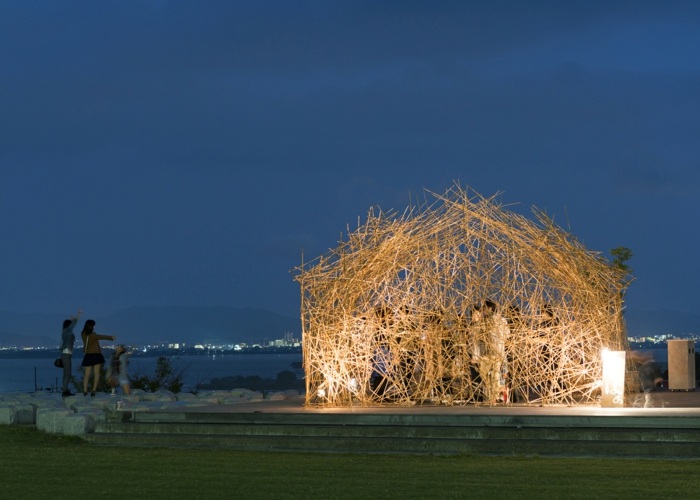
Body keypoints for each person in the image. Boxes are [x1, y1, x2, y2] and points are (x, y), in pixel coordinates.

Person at [80, 319, 115, 396]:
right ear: (91, 326)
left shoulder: (83, 334)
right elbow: (101, 337)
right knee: (96, 374)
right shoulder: (93, 335)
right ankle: (93, 390)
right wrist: (111, 338)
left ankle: (85, 390)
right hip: (96, 355)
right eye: (94, 325)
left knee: (87, 374)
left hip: (88, 355)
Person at [59, 309, 82, 397]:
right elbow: (73, 325)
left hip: (66, 354)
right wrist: (78, 316)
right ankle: (65, 391)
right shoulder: (67, 331)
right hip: (66, 354)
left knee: (66, 374)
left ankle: (65, 390)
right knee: (67, 374)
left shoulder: (65, 332)